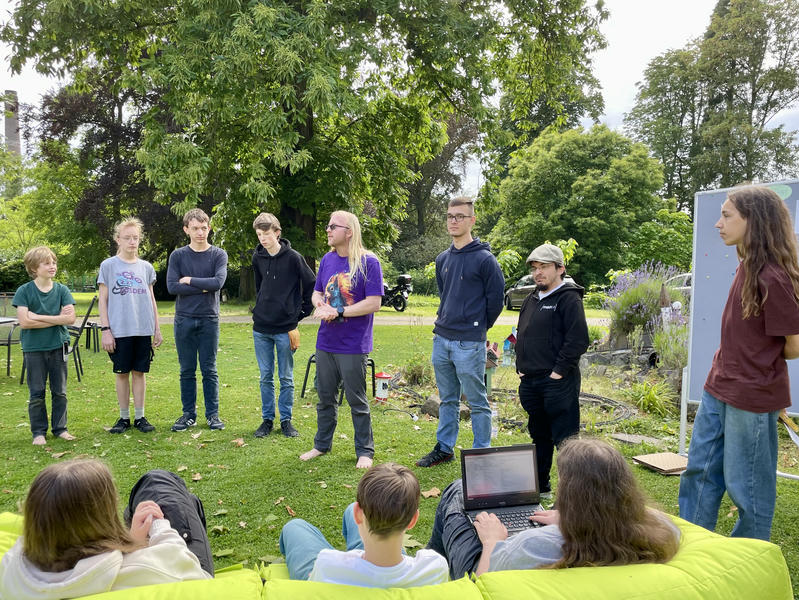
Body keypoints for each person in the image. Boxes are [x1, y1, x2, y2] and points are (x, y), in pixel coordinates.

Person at [679, 186, 799, 541]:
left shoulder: (773, 277)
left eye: (727, 215)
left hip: (750, 398)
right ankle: (693, 543)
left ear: (754, 221)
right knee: (699, 472)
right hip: (718, 388)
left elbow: (794, 346)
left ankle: (748, 557)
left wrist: (767, 388)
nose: (718, 223)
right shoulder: (748, 265)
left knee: (747, 486)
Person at [427, 437, 680, 580]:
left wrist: (493, 541)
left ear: (571, 494)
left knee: (458, 490)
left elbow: (484, 585)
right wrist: (574, 519)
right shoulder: (662, 530)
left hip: (482, 568)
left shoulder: (534, 545)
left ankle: (430, 563)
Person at [0, 459, 213, 599]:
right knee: (157, 481)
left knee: (187, 501)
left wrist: (130, 541)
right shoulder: (145, 569)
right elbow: (194, 574)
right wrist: (159, 523)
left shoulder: (10, 569)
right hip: (190, 571)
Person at [417, 197, 504, 468]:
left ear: (472, 221)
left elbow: (496, 301)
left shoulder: (485, 260)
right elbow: (446, 296)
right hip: (441, 339)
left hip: (469, 342)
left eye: (460, 216)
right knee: (448, 400)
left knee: (477, 400)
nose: (453, 221)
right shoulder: (443, 258)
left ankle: (480, 454)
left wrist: (476, 327)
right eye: (450, 216)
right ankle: (445, 448)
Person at [299, 210, 383, 469]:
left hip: (352, 345)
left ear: (349, 231)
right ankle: (321, 445)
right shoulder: (327, 259)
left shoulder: (369, 262)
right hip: (326, 342)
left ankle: (365, 452)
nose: (327, 230)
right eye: (327, 225)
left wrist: (340, 311)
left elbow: (374, 302)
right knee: (325, 398)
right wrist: (319, 303)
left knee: (356, 400)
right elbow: (316, 291)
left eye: (332, 226)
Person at [279, 462, 448, 586]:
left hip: (339, 576)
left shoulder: (327, 564)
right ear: (413, 520)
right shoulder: (434, 567)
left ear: (358, 515)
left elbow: (314, 585)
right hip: (396, 571)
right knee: (350, 507)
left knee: (294, 527)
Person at [515, 243, 589, 499]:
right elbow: (521, 335)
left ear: (560, 268)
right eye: (535, 268)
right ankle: (541, 487)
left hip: (558, 383)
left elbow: (578, 340)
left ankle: (574, 496)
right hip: (531, 382)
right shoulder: (531, 298)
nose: (538, 273)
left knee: (566, 442)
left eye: (544, 267)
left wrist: (557, 373)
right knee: (539, 437)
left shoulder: (569, 298)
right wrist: (520, 368)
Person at [250, 212, 316, 438]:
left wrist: (300, 314)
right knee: (265, 376)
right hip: (261, 328)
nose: (262, 239)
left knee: (286, 377)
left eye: (266, 234)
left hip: (286, 328)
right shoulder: (257, 258)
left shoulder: (294, 258)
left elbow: (311, 285)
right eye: (259, 234)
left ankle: (286, 420)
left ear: (277, 233)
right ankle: (267, 420)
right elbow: (260, 288)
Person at [98, 218, 163, 434]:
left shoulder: (146, 267)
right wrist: (106, 330)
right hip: (119, 329)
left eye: (135, 238)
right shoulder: (108, 266)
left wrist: (156, 327)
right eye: (127, 238)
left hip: (143, 328)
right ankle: (124, 418)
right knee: (122, 373)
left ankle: (140, 416)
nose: (132, 242)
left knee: (139, 373)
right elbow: (103, 300)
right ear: (118, 239)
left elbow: (151, 298)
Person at [167, 208, 228, 432]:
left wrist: (190, 280)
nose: (200, 232)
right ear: (186, 230)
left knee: (209, 369)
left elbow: (217, 284)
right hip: (184, 319)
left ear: (209, 228)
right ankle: (188, 414)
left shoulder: (218, 255)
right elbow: (172, 287)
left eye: (204, 228)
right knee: (186, 370)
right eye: (195, 228)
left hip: (209, 319)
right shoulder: (178, 256)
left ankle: (212, 415)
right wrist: (204, 286)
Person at [13, 246, 77, 445]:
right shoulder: (24, 291)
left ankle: (60, 429)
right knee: (37, 393)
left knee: (60, 391)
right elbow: (25, 322)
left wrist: (37, 316)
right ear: (34, 268)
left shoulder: (62, 290)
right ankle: (38, 432)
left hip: (58, 346)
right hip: (34, 349)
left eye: (54, 262)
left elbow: (71, 319)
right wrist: (58, 318)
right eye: (47, 263)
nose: (53, 266)